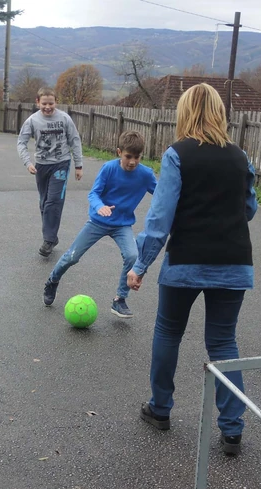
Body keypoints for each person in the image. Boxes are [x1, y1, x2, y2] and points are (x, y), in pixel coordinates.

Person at [127, 83, 258, 457]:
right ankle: (232, 430)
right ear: (220, 112)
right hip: (234, 263)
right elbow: (248, 209)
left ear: (184, 112)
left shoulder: (177, 154)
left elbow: (160, 217)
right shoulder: (240, 156)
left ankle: (161, 409)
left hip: (186, 261)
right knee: (223, 343)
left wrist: (140, 266)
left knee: (168, 332)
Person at [42, 131, 157, 318]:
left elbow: (162, 194)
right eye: (128, 156)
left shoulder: (145, 174)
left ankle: (119, 299)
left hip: (122, 225)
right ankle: (52, 280)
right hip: (98, 221)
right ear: (119, 152)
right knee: (72, 257)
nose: (133, 162)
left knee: (132, 255)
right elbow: (93, 194)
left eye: (137, 157)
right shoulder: (109, 168)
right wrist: (100, 206)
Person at [17, 88, 83, 258]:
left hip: (61, 164)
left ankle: (48, 239)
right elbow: (21, 143)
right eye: (44, 103)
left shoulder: (64, 118)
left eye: (51, 103)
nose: (47, 107)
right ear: (37, 102)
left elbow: (74, 140)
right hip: (41, 166)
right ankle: (52, 238)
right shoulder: (32, 120)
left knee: (53, 201)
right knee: (44, 203)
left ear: (56, 102)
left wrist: (78, 165)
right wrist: (28, 163)